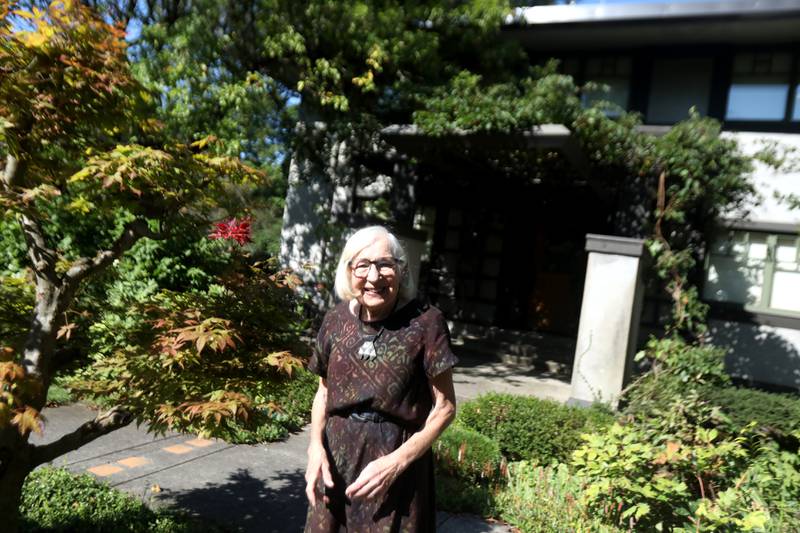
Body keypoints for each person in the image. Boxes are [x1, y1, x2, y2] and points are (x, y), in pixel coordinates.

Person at [304, 225, 458, 532]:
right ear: (349, 271)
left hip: (395, 468)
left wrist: (398, 462)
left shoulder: (427, 322)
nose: (374, 277)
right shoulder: (335, 320)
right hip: (335, 461)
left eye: (385, 264)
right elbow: (323, 393)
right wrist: (314, 449)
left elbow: (445, 408)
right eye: (363, 265)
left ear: (401, 271)